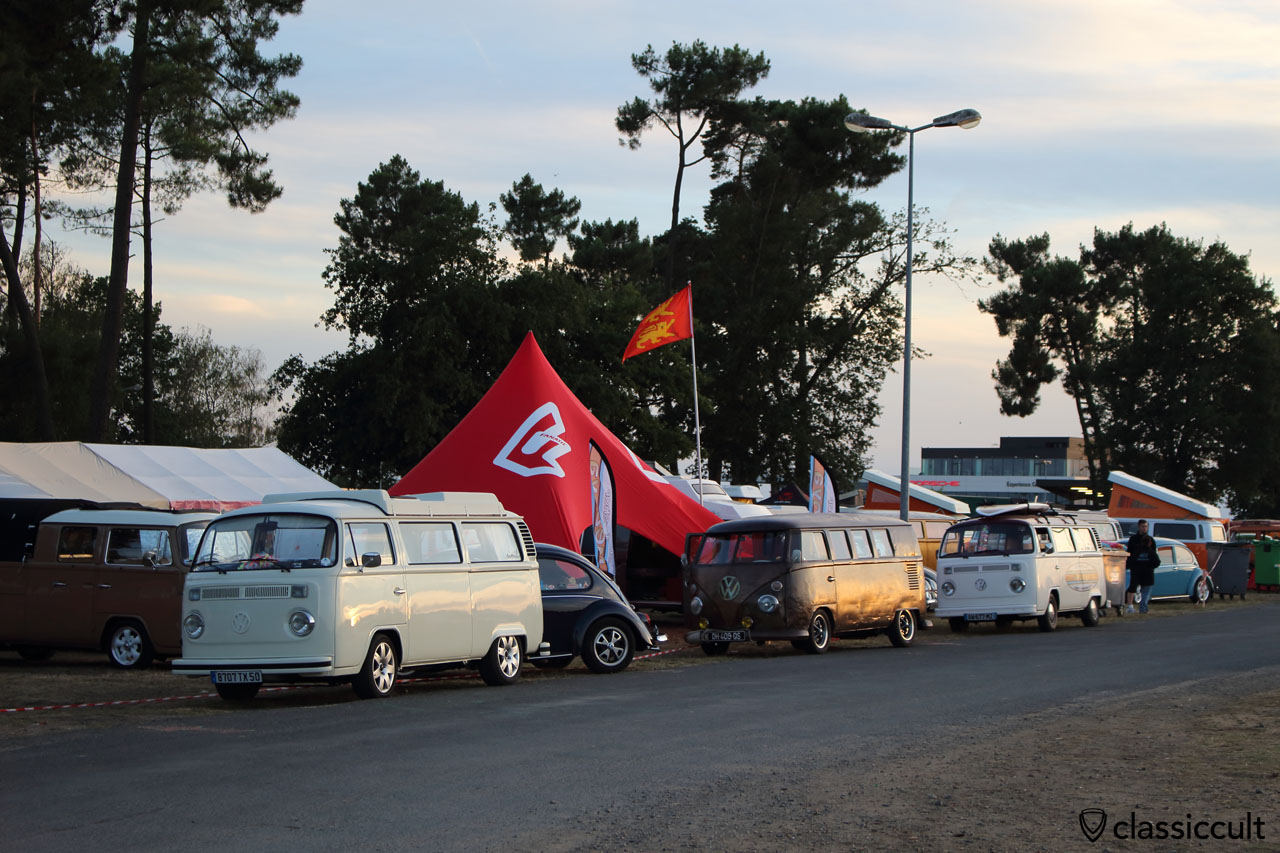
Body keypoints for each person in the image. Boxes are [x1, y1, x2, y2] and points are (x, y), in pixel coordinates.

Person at [1125, 520, 1160, 614]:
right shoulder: (1133, 539)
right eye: (1143, 526)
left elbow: (1154, 556)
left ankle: (1143, 607)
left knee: (1146, 588)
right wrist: (1130, 565)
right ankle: (1130, 606)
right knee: (1132, 587)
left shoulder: (1150, 540)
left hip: (1147, 570)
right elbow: (1129, 553)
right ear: (1139, 527)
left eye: (1146, 526)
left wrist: (1151, 565)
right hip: (1136, 569)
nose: (1144, 528)